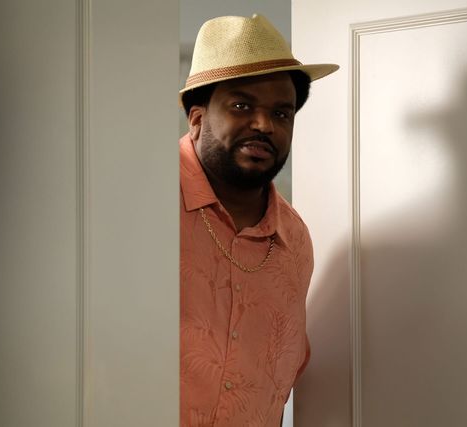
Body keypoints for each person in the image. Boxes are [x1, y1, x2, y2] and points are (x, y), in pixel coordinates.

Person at [179, 14, 338, 427]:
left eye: (282, 113)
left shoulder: (294, 240)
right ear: (197, 118)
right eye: (241, 106)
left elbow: (280, 376)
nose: (265, 125)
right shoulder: (137, 201)